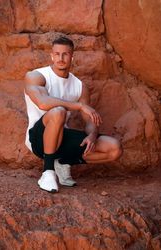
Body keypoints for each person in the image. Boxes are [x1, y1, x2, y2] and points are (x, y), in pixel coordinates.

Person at [24, 36, 122, 193]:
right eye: (57, 54)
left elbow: (89, 119)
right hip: (38, 139)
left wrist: (92, 135)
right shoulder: (36, 76)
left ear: (72, 57)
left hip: (62, 138)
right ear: (51, 55)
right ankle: (48, 171)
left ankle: (62, 162)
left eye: (65, 54)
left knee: (114, 148)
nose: (60, 58)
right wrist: (79, 105)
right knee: (58, 111)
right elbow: (43, 102)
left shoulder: (79, 86)